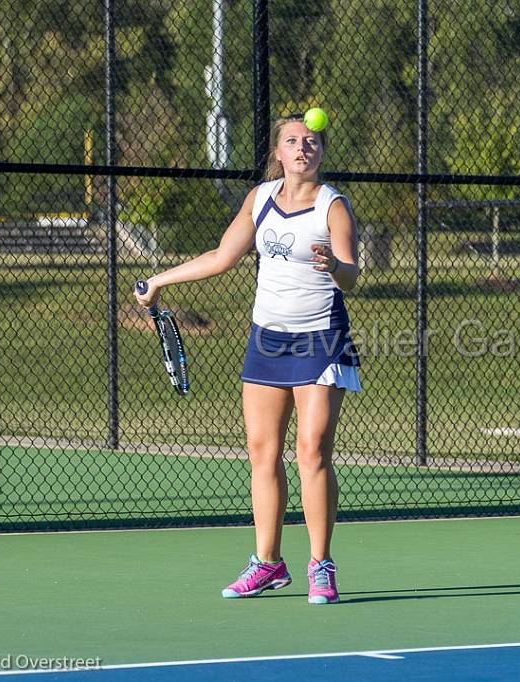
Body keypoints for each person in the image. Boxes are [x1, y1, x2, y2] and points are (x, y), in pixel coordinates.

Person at [134, 112, 360, 605]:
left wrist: (335, 265)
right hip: (267, 341)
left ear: (320, 152)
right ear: (278, 153)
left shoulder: (333, 206)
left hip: (320, 338)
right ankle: (268, 564)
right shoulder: (259, 200)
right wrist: (159, 280)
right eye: (293, 142)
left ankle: (321, 565)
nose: (304, 148)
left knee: (313, 450)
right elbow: (221, 257)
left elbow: (351, 276)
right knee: (263, 454)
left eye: (312, 142)